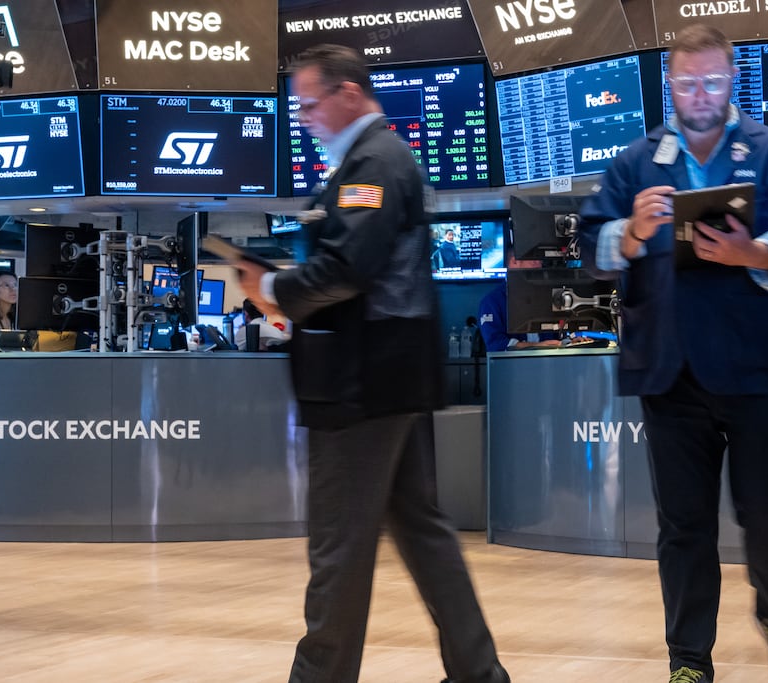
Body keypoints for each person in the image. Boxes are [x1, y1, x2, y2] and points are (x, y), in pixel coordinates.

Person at [235, 44, 509, 683]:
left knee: (339, 548)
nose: (302, 117)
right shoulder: (367, 162)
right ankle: (478, 673)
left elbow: (348, 268)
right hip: (386, 379)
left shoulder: (375, 162)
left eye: (308, 102)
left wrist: (272, 290)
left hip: (361, 384)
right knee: (423, 533)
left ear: (349, 94)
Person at [579, 24, 768, 683]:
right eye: (688, 82)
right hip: (670, 373)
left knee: (767, 514)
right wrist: (631, 233)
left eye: (714, 81)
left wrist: (756, 253)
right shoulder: (635, 162)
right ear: (670, 82)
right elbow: (591, 245)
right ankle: (688, 658)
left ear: (732, 79)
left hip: (755, 368)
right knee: (683, 526)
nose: (701, 93)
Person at [477, 281, 561, 352]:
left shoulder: (546, 296)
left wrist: (568, 341)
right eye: (533, 260)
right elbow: (495, 344)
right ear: (515, 262)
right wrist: (536, 346)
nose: (539, 263)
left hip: (551, 364)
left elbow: (558, 333)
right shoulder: (492, 301)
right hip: (512, 367)